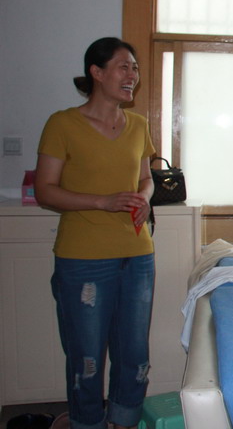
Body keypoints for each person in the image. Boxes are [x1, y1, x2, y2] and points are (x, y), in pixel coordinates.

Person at [35, 37, 156, 429]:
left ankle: (124, 421)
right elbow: (44, 190)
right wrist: (102, 202)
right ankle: (86, 422)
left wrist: (144, 198)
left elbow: (147, 178)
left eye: (135, 68)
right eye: (124, 66)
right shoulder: (62, 124)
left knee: (134, 353)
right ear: (97, 73)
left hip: (137, 254)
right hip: (83, 258)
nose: (132, 75)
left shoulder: (138, 125)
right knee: (86, 357)